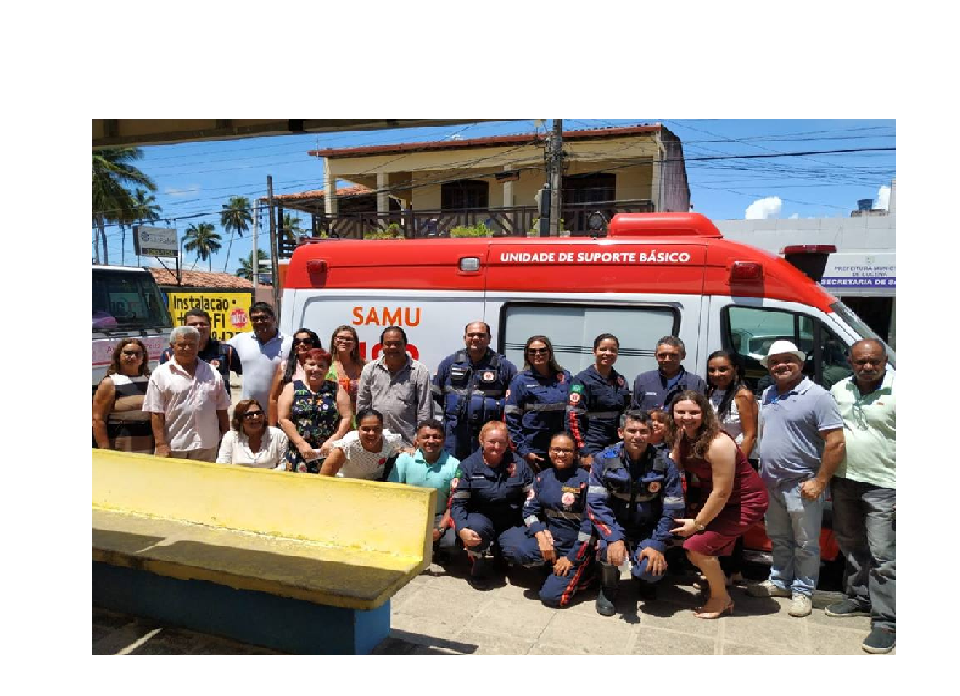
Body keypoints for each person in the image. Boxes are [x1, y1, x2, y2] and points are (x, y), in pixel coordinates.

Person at [746, 340, 845, 618]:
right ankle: (779, 582)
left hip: (803, 483)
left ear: (801, 363)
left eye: (788, 360)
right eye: (775, 362)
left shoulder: (818, 396)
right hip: (772, 481)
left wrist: (821, 481)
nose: (781, 366)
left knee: (805, 542)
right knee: (778, 537)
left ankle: (803, 591)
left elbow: (835, 442)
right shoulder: (768, 393)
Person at [669, 391, 770, 619]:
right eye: (681, 411)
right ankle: (718, 581)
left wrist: (697, 523)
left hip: (744, 502)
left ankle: (720, 598)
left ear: (705, 413)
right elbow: (673, 467)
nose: (687, 417)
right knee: (696, 547)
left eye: (694, 412)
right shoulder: (681, 436)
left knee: (696, 547)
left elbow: (722, 492)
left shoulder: (718, 443)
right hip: (716, 499)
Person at [826, 339, 896, 654]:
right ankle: (857, 596)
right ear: (850, 361)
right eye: (860, 362)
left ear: (884, 361)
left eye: (874, 361)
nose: (867, 367)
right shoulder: (839, 389)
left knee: (883, 554)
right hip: (845, 479)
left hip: (886, 483)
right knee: (850, 543)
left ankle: (886, 621)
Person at [587, 410, 685, 616]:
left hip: (648, 529)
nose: (637, 436)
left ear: (650, 434)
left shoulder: (665, 464)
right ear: (621, 432)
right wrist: (614, 537)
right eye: (632, 431)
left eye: (643, 431)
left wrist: (657, 543)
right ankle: (608, 587)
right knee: (608, 550)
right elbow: (596, 504)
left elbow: (673, 509)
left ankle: (646, 580)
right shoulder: (603, 459)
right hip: (616, 525)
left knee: (650, 566)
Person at [499, 433, 594, 607]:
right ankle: (551, 568)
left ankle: (588, 574)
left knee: (552, 598)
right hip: (551, 541)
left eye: (567, 450)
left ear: (575, 454)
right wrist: (540, 534)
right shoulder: (542, 477)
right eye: (556, 450)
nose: (561, 454)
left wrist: (572, 558)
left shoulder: (585, 480)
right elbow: (529, 511)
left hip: (576, 547)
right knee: (514, 548)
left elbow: (590, 526)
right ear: (549, 452)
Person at [450, 421, 534, 589]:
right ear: (481, 440)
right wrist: (462, 528)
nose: (496, 446)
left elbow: (532, 498)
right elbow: (458, 503)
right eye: (491, 441)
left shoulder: (520, 465)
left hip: (510, 521)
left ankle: (502, 555)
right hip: (481, 519)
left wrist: (533, 524)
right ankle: (478, 563)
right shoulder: (467, 466)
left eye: (501, 442)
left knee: (524, 553)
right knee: (475, 528)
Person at [705, 350, 759, 586]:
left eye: (723, 369)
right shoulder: (711, 392)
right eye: (713, 369)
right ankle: (718, 569)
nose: (717, 374)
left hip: (736, 465)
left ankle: (731, 570)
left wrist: (737, 466)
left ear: (736, 369)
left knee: (730, 517)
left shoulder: (743, 395)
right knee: (715, 515)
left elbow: (750, 434)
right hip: (713, 464)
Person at [432, 321, 517, 460]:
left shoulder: (504, 366)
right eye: (471, 335)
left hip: (488, 433)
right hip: (455, 431)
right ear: (465, 338)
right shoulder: (449, 363)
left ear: (489, 338)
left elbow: (514, 399)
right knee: (455, 470)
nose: (476, 338)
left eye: (481, 335)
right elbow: (437, 393)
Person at [143, 326, 230, 462]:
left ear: (199, 346)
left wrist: (227, 439)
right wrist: (160, 444)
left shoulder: (212, 372)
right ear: (172, 346)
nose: (187, 349)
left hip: (207, 445)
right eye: (182, 345)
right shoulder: (160, 374)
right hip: (174, 446)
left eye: (191, 345)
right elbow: (156, 412)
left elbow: (222, 409)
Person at [387, 419, 460, 562]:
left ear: (444, 440)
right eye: (426, 437)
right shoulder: (404, 459)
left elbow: (455, 502)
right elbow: (392, 493)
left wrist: (440, 529)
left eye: (436, 437)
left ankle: (438, 549)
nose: (431, 441)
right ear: (417, 440)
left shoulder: (455, 465)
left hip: (438, 517)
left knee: (452, 543)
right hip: (409, 515)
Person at [278, 348, 353, 474]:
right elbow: (283, 418)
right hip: (299, 452)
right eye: (311, 364)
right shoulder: (292, 388)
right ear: (303, 366)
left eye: (321, 365)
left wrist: (333, 440)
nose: (316, 369)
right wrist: (300, 443)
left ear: (327, 369)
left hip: (328, 451)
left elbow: (346, 417)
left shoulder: (336, 389)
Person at [357, 326, 433, 447]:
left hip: (408, 442)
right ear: (382, 346)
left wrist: (421, 436)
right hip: (376, 441)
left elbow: (424, 408)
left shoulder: (419, 371)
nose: (393, 347)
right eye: (388, 344)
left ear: (405, 345)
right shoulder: (369, 369)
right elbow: (363, 404)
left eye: (397, 344)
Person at [504, 336, 571, 471]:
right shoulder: (520, 381)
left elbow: (574, 412)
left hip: (560, 449)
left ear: (550, 353)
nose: (538, 354)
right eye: (532, 351)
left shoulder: (565, 377)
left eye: (542, 350)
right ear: (527, 355)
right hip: (533, 449)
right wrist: (524, 451)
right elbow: (511, 420)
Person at [566, 333, 632, 466]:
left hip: (615, 442)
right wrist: (583, 450)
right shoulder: (581, 381)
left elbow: (626, 412)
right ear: (594, 351)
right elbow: (573, 417)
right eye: (603, 349)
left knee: (614, 477)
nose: (608, 353)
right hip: (592, 443)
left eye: (613, 350)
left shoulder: (620, 381)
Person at [92, 338, 154, 453]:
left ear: (143, 358)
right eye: (128, 353)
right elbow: (97, 420)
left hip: (149, 442)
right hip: (121, 445)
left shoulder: (151, 381)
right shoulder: (110, 383)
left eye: (138, 353)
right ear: (118, 356)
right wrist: (105, 450)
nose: (133, 357)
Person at [228, 302, 293, 411]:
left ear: (273, 319)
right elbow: (221, 353)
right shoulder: (240, 340)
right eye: (255, 319)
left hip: (279, 409)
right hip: (249, 410)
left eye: (263, 318)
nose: (259, 322)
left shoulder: (289, 342)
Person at [160, 308, 242, 393]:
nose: (198, 327)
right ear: (184, 328)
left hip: (217, 404)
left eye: (203, 324)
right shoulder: (169, 354)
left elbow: (246, 374)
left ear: (210, 326)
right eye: (193, 324)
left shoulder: (226, 351)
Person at [320, 408, 405, 480]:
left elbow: (400, 451)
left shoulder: (390, 442)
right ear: (357, 428)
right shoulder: (347, 446)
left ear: (382, 428)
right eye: (366, 429)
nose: (371, 433)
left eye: (376, 429)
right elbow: (325, 475)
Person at [631, 335, 707, 413]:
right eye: (662, 355)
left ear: (683, 355)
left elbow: (702, 413)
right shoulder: (642, 381)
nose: (667, 359)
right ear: (656, 356)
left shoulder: (695, 383)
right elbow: (634, 414)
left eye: (673, 355)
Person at [266, 328, 322, 425]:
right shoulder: (285, 366)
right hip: (289, 424)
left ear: (314, 344)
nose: (301, 344)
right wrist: (272, 427)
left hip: (318, 423)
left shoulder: (323, 367)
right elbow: (273, 399)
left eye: (307, 341)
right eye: (297, 342)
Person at [216, 399, 289, 469]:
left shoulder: (278, 435)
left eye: (258, 413)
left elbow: (284, 464)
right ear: (240, 420)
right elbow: (223, 465)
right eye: (250, 415)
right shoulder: (230, 438)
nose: (256, 417)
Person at [329, 325, 366, 415]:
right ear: (334, 341)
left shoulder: (365, 367)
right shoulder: (326, 366)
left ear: (355, 344)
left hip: (359, 419)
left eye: (349, 339)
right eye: (340, 338)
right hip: (333, 420)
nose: (344, 341)